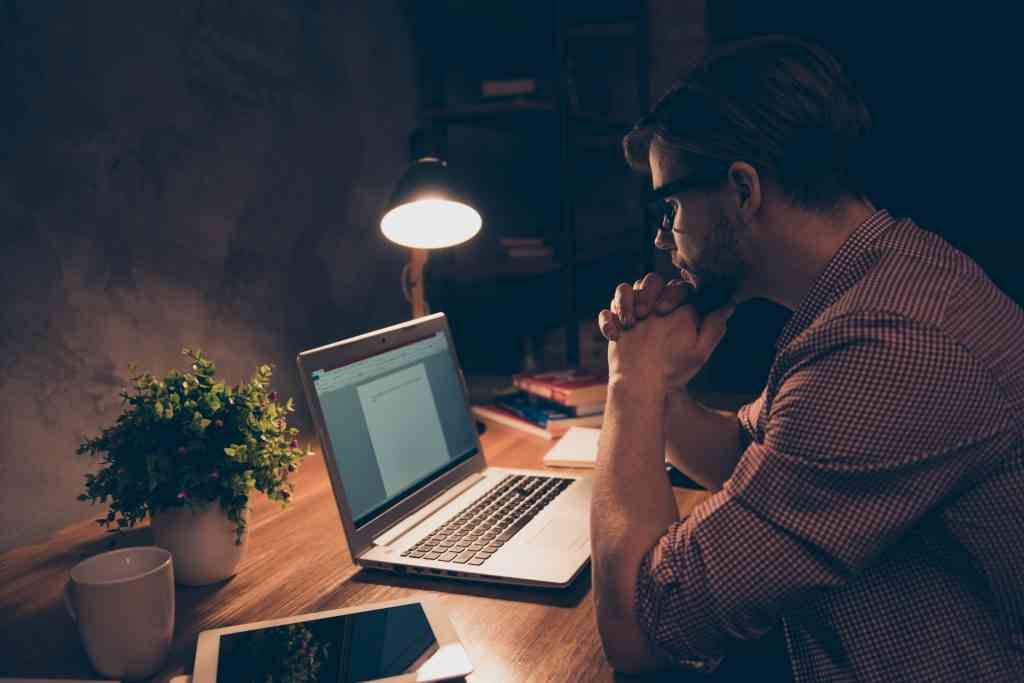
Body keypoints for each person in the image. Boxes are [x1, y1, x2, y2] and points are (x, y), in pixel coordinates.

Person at [589, 35, 1024, 682]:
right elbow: (747, 454)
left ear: (742, 190)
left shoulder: (888, 344)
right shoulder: (881, 281)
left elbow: (643, 626)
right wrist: (663, 393)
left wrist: (630, 380)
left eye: (671, 205)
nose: (662, 236)